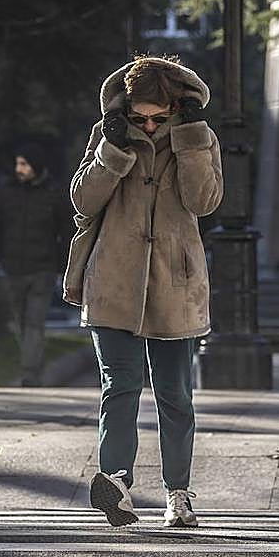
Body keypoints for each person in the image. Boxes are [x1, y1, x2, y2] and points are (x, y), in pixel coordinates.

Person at [65, 56, 222, 529]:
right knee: (120, 387)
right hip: (113, 281)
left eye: (159, 116)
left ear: (176, 107)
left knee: (175, 395)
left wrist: (191, 139)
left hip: (175, 284)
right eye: (140, 117)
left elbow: (205, 201)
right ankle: (116, 484)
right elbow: (83, 200)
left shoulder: (197, 137)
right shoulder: (108, 134)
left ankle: (179, 494)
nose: (149, 124)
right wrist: (112, 150)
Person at [0, 141, 71, 386]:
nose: (18, 169)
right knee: (20, 322)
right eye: (17, 164)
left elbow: (66, 231)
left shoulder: (53, 193)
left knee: (33, 321)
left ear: (36, 165)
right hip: (13, 269)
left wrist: (63, 267)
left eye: (24, 164)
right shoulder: (6, 192)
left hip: (42, 269)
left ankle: (30, 373)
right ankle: (34, 362)